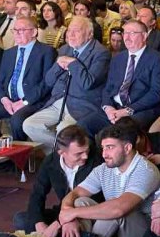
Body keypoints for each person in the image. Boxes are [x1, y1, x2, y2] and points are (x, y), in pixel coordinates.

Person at [57, 122, 160, 237]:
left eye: (110, 147)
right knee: (80, 202)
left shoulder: (146, 170)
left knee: (116, 210)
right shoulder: (103, 169)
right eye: (103, 148)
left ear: (127, 148)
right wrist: (68, 218)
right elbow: (75, 194)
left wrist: (73, 213)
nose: (104, 154)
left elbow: (119, 209)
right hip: (111, 232)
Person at [22, 17, 110, 149]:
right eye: (69, 31)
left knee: (64, 130)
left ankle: (62, 155)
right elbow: (49, 81)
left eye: (77, 31)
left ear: (90, 34)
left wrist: (73, 63)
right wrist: (58, 65)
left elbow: (88, 83)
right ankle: (59, 154)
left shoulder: (101, 53)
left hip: (82, 104)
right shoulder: (64, 49)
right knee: (30, 125)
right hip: (58, 101)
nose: (71, 35)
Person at [0, 16, 57, 141]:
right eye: (15, 30)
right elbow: (0, 82)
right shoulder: (9, 53)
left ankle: (20, 152)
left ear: (34, 32)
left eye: (21, 30)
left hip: (32, 101)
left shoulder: (47, 51)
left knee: (16, 121)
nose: (17, 33)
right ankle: (1, 145)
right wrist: (5, 100)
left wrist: (24, 102)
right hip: (8, 101)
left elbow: (47, 83)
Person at [12, 125, 102, 237]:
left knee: (74, 229)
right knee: (21, 219)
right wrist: (39, 223)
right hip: (63, 211)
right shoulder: (50, 162)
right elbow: (37, 194)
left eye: (86, 150)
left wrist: (61, 222)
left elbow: (92, 200)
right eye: (78, 154)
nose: (85, 156)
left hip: (88, 212)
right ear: (61, 153)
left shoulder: (97, 161)